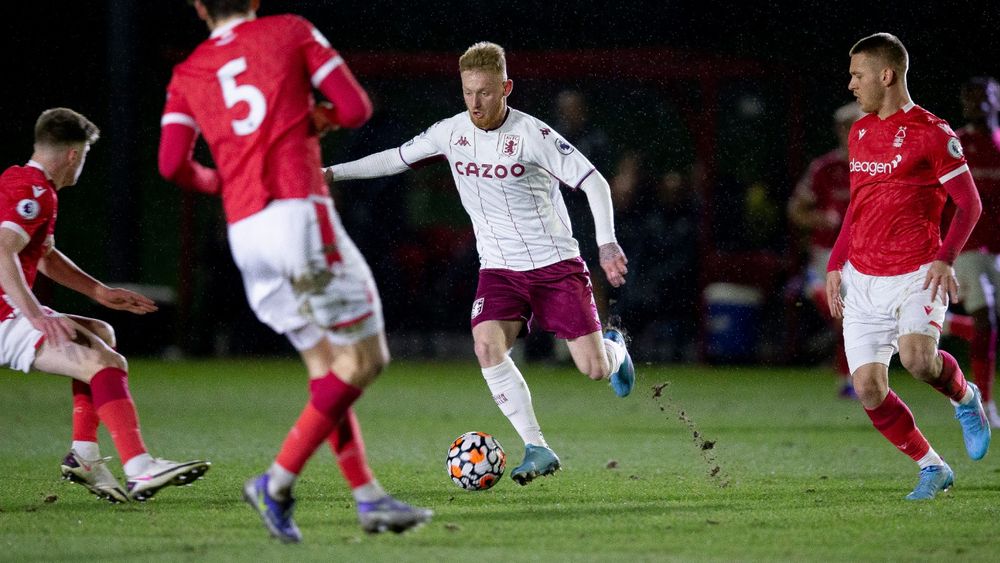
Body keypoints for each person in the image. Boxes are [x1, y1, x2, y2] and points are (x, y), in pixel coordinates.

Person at [158, 0, 430, 543]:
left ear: (198, 7)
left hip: (246, 235)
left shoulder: (186, 72)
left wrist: (221, 183)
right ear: (254, 1)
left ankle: (369, 498)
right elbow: (355, 109)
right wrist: (319, 116)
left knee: (327, 365)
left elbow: (170, 164)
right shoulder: (289, 31)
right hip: (298, 217)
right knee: (367, 359)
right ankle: (275, 481)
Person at [324, 41, 636, 485]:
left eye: (485, 92)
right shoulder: (450, 133)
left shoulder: (533, 135)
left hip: (555, 265)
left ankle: (615, 349)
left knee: (593, 369)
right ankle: (537, 446)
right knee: (487, 345)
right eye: (468, 91)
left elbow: (595, 182)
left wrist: (606, 244)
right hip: (499, 269)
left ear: (505, 87)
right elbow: (394, 160)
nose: (475, 102)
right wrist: (331, 173)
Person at [0, 107, 211, 504]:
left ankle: (84, 454)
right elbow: (2, 252)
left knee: (102, 333)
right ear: (74, 156)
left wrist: (98, 291)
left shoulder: (36, 187)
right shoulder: (30, 190)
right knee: (105, 364)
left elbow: (44, 256)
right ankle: (140, 467)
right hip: (4, 316)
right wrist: (34, 315)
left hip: (9, 309)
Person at [826, 33, 990, 500]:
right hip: (862, 277)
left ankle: (965, 397)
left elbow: (970, 205)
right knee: (868, 388)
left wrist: (944, 259)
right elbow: (858, 210)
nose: (851, 84)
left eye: (858, 75)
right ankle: (933, 466)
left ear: (886, 74)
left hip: (916, 272)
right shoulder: (859, 131)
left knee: (919, 361)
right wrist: (837, 264)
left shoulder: (933, 133)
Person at [788, 102, 864, 398]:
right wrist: (819, 218)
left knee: (851, 320)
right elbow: (795, 210)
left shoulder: (877, 166)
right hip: (827, 257)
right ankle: (848, 378)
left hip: (863, 260)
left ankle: (849, 379)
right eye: (846, 127)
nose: (851, 132)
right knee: (842, 318)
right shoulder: (825, 168)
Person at [943, 77, 1000, 427]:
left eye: (985, 95)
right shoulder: (955, 145)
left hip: (997, 249)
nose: (977, 102)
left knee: (987, 325)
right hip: (966, 248)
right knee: (986, 314)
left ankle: (941, 324)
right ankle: (986, 403)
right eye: (970, 95)